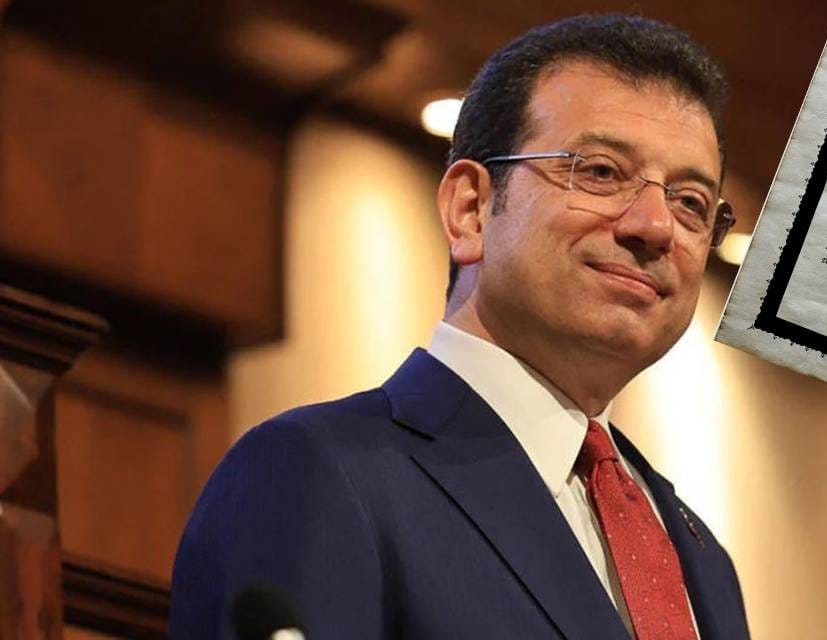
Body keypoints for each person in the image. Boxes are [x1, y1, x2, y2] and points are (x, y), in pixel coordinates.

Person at [170, 13, 749, 640]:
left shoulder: (701, 558)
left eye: (690, 203)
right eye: (601, 172)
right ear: (471, 209)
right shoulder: (314, 472)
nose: (656, 227)